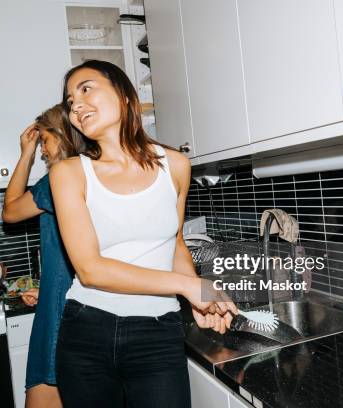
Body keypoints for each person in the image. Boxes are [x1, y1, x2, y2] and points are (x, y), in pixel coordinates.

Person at [50, 60, 238, 408]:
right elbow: (91, 269)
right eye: (69, 100)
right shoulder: (69, 173)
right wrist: (186, 287)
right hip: (87, 330)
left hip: (157, 331)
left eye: (86, 88)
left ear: (123, 95)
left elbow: (175, 243)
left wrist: (199, 293)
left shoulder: (176, 166)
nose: (75, 104)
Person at [3, 104, 84, 408]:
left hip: (62, 314)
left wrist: (25, 153)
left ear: (63, 138)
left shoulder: (58, 180)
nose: (43, 151)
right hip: (71, 301)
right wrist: (49, 285)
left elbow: (10, 211)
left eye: (46, 141)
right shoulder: (95, 173)